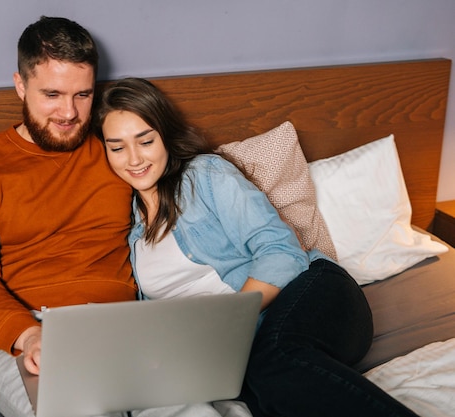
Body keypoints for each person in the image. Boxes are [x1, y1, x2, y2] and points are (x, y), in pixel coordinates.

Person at [95, 77, 422, 417]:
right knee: (264, 394)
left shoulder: (205, 175)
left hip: (317, 295)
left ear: (164, 135)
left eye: (145, 141)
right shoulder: (130, 233)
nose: (133, 158)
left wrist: (227, 323)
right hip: (237, 352)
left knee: (273, 360)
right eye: (117, 147)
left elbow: (283, 252)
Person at [0, 16, 139, 416]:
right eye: (52, 94)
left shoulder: (120, 152)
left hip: (124, 325)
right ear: (19, 85)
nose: (68, 113)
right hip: (28, 329)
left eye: (82, 95)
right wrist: (29, 336)